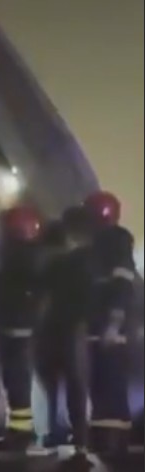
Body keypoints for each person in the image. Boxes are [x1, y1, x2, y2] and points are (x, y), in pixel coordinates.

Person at [36, 207, 95, 465]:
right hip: (74, 328)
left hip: (57, 328)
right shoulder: (86, 260)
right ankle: (79, 440)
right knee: (75, 384)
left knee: (54, 384)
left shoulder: (60, 263)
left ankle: (57, 433)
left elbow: (42, 295)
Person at [0, 205, 46, 460]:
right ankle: (19, 431)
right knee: (15, 384)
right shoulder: (27, 256)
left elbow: (14, 292)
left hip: (17, 330)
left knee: (17, 383)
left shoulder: (20, 258)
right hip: (16, 329)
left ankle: (21, 434)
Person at [85, 191, 136, 458]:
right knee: (102, 385)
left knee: (110, 384)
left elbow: (121, 286)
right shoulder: (101, 243)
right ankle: (105, 439)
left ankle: (112, 442)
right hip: (100, 328)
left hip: (111, 330)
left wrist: (114, 324)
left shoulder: (115, 242)